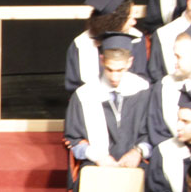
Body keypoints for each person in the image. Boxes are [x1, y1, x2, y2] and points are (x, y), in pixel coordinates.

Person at [64, 34, 152, 174]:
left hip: (138, 165)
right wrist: (97, 156)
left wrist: (138, 151)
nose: (114, 77)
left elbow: (154, 132)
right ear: (102, 60)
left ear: (129, 62)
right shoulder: (85, 94)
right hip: (96, 166)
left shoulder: (143, 91)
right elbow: (73, 139)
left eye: (120, 70)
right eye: (110, 69)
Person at [64, 0, 149, 94]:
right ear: (115, 21)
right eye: (129, 17)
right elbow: (73, 88)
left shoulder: (136, 39)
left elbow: (142, 79)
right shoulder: (81, 45)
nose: (134, 22)